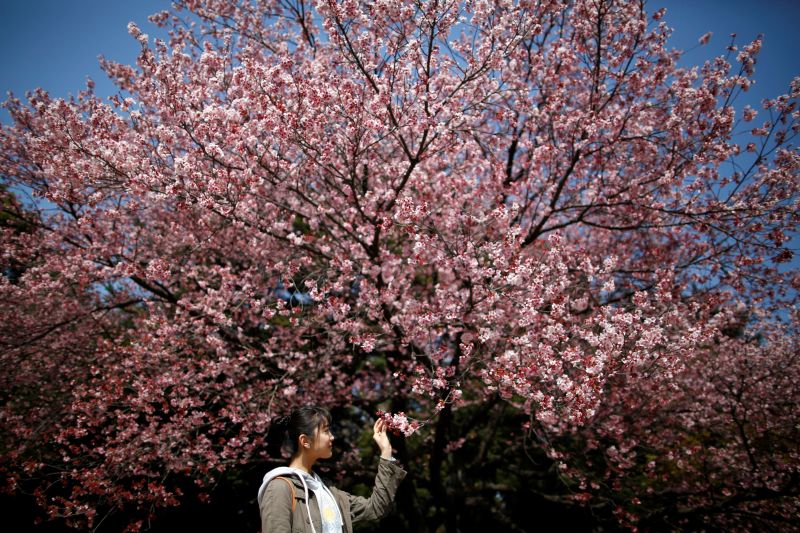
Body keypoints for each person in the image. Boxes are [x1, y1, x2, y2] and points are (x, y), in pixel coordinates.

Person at [257, 406, 406, 533]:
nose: (332, 437)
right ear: (305, 441)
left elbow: (376, 508)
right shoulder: (279, 488)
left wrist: (386, 452)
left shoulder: (329, 492)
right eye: (326, 431)